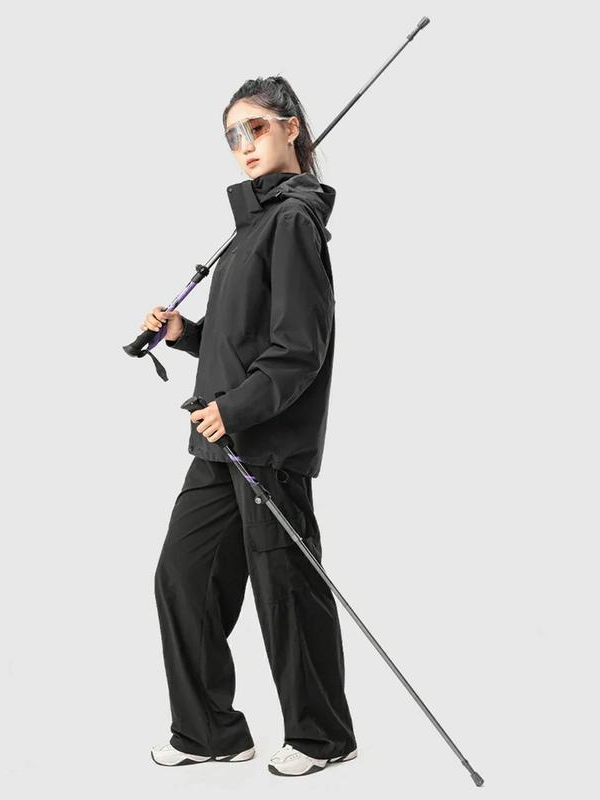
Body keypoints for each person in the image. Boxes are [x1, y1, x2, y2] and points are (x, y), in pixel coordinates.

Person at [144, 75, 358, 777]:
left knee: (285, 588)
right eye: (233, 135)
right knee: (184, 576)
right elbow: (238, 342)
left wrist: (232, 409)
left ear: (291, 127)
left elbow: (298, 349)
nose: (244, 145)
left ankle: (323, 736)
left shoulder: (293, 222)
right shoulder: (252, 228)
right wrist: (185, 334)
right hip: (220, 443)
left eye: (256, 127)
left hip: (264, 443)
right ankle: (209, 731)